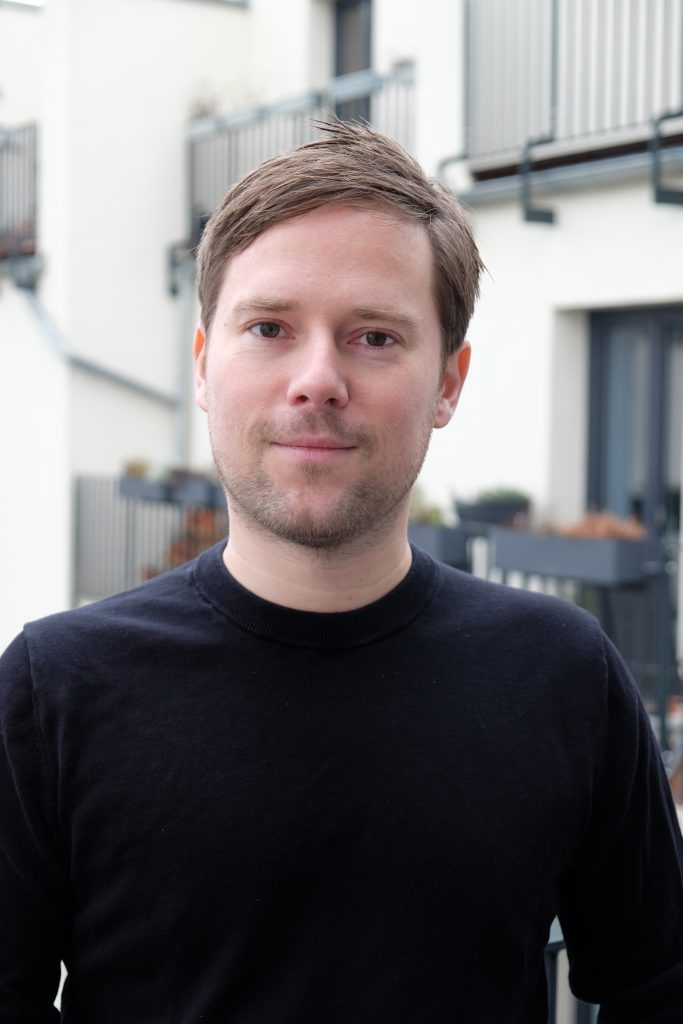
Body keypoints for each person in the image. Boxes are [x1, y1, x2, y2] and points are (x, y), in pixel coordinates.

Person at [1, 121, 682, 1024]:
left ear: (448, 381)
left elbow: (657, 990)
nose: (316, 380)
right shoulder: (57, 688)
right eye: (270, 327)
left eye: (373, 337)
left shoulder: (561, 674)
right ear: (206, 366)